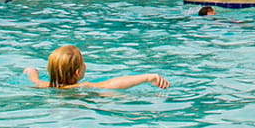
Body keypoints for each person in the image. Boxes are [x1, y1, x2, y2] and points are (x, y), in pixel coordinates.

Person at [24, 45, 169, 90]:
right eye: (83, 63)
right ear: (77, 72)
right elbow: (114, 83)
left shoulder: (46, 85)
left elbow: (34, 79)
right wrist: (147, 77)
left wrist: (31, 71)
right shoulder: (82, 87)